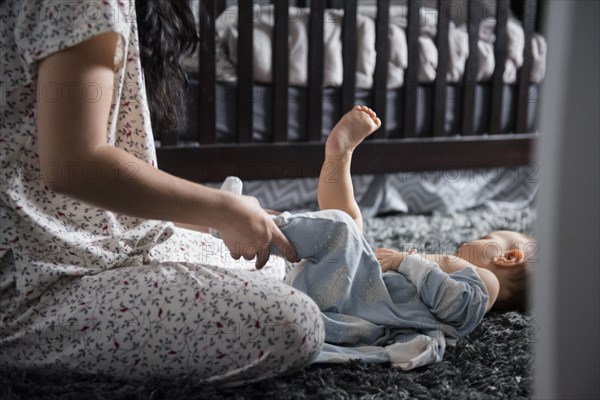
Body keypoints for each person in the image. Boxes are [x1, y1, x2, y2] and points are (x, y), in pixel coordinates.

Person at [0, 0, 323, 384]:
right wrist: (219, 209)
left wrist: (218, 215)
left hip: (100, 244)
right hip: (33, 283)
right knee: (296, 322)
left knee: (271, 261)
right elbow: (75, 165)